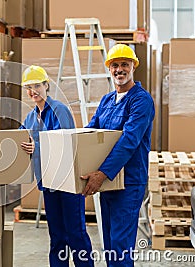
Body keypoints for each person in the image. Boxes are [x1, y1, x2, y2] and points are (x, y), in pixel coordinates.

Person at [80, 44, 155, 266]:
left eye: (124, 64)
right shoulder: (106, 100)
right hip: (107, 183)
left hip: (128, 181)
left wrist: (102, 173)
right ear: (109, 69)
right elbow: (90, 132)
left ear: (133, 67)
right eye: (115, 65)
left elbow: (129, 141)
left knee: (121, 244)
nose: (119, 69)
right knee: (110, 242)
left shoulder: (141, 100)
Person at [19, 65, 94, 267]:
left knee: (76, 235)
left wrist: (37, 146)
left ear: (46, 85)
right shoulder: (31, 116)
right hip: (49, 183)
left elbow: (66, 145)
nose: (32, 91)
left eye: (36, 85)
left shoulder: (60, 110)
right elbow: (18, 137)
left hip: (68, 183)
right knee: (57, 236)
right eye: (28, 87)